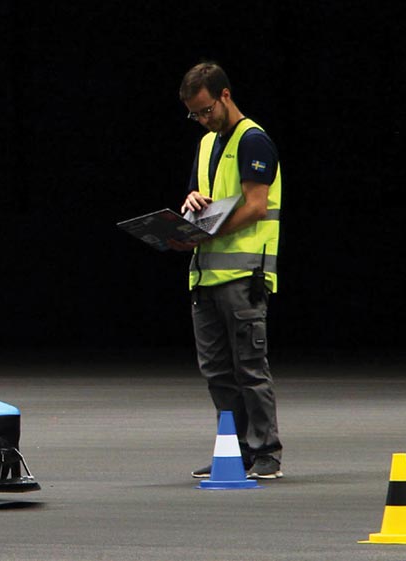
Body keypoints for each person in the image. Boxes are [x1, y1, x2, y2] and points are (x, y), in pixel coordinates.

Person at [169, 61, 285, 479]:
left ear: (225, 96)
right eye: (194, 115)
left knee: (250, 368)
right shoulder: (206, 144)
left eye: (206, 111)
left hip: (243, 276)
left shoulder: (254, 141)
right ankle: (234, 451)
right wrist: (193, 203)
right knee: (217, 372)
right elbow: (204, 196)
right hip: (205, 277)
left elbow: (255, 206)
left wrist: (205, 235)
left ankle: (267, 451)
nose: (202, 120)